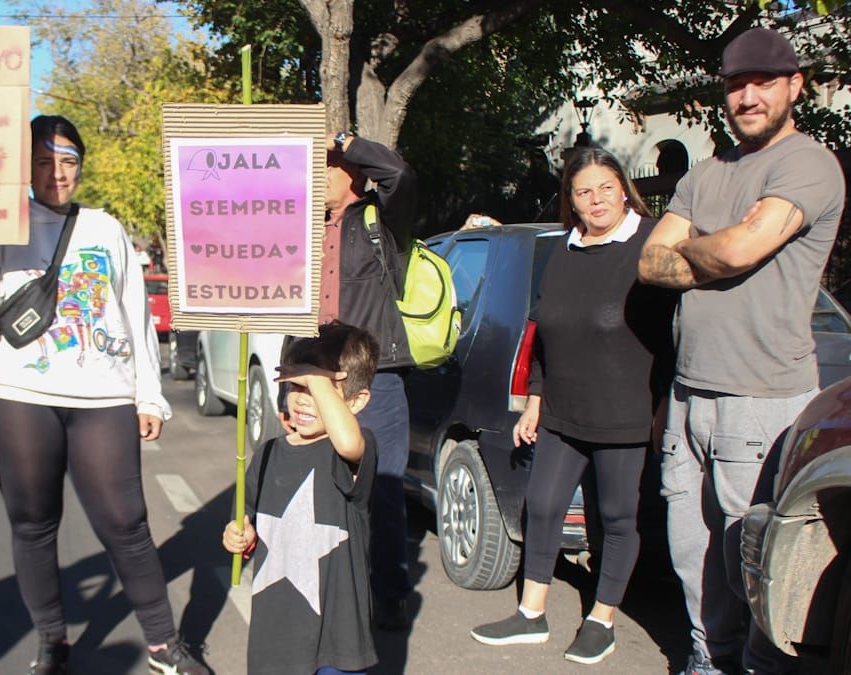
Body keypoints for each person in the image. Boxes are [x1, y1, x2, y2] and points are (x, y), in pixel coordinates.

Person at [0, 114, 209, 675]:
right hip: (18, 392)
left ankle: (164, 644)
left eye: (67, 162)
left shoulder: (106, 228)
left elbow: (135, 315)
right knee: (34, 522)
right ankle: (51, 639)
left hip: (102, 395)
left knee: (126, 522)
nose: (56, 173)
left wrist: (148, 395)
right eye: (43, 161)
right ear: (24, 166)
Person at [637, 27, 846, 675]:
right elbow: (650, 261)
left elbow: (736, 250)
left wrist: (704, 248)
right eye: (735, 84)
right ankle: (707, 658)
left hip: (762, 397)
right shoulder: (706, 172)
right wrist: (721, 249)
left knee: (748, 563)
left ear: (794, 86)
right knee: (690, 551)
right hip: (690, 395)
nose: (747, 95)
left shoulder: (806, 163)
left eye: (762, 82)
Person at [468, 147, 677, 664]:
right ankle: (531, 614)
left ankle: (601, 618)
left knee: (615, 518)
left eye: (606, 187)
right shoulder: (565, 248)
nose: (597, 199)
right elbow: (545, 333)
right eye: (584, 192)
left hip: (625, 411)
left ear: (624, 188)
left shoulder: (649, 243)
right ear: (573, 202)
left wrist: (667, 406)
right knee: (541, 506)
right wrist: (536, 398)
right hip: (562, 408)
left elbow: (676, 334)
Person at [224, 322, 379, 675]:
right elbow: (245, 521)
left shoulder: (353, 451)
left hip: (338, 640)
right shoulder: (266, 455)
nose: (304, 398)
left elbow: (348, 441)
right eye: (297, 385)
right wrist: (238, 536)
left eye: (320, 388)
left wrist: (316, 378)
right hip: (277, 634)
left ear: (356, 402)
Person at [315, 130, 418, 630]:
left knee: (382, 488)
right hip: (317, 375)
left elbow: (398, 173)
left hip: (377, 377)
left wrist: (341, 138)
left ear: (354, 173)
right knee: (322, 485)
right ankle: (334, 590)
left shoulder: (380, 220)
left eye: (329, 164)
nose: (320, 172)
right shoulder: (304, 226)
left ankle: (390, 591)